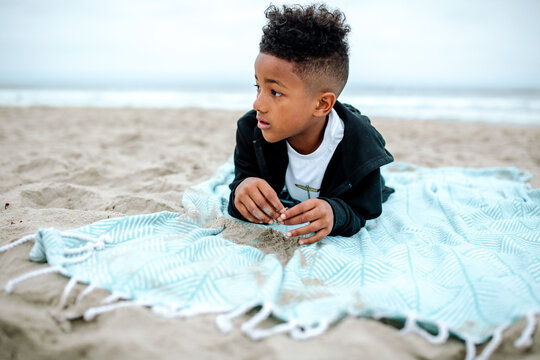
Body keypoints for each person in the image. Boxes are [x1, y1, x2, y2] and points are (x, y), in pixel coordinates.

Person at [228, 4, 394, 245]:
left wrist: (335, 213)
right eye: (258, 87)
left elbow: (363, 209)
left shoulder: (362, 146)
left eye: (274, 92)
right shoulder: (251, 129)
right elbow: (240, 183)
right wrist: (242, 190)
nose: (258, 104)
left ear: (321, 104)